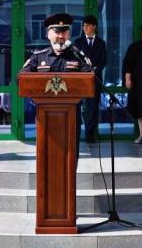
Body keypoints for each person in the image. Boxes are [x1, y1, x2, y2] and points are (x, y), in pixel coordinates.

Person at [21, 13, 94, 149]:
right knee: (46, 150)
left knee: (71, 152)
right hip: (45, 116)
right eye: (57, 32)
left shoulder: (77, 56)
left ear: (68, 35)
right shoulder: (38, 57)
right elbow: (21, 79)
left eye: (64, 32)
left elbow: (89, 79)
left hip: (72, 115)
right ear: (48, 34)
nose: (61, 36)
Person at [74, 15, 107, 144]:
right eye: (83, 25)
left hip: (95, 79)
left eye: (87, 25)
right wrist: (85, 70)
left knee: (93, 107)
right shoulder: (78, 42)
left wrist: (95, 70)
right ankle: (76, 133)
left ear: (94, 27)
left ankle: (90, 134)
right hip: (80, 80)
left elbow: (103, 61)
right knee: (77, 107)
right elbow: (74, 59)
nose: (85, 28)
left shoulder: (101, 43)